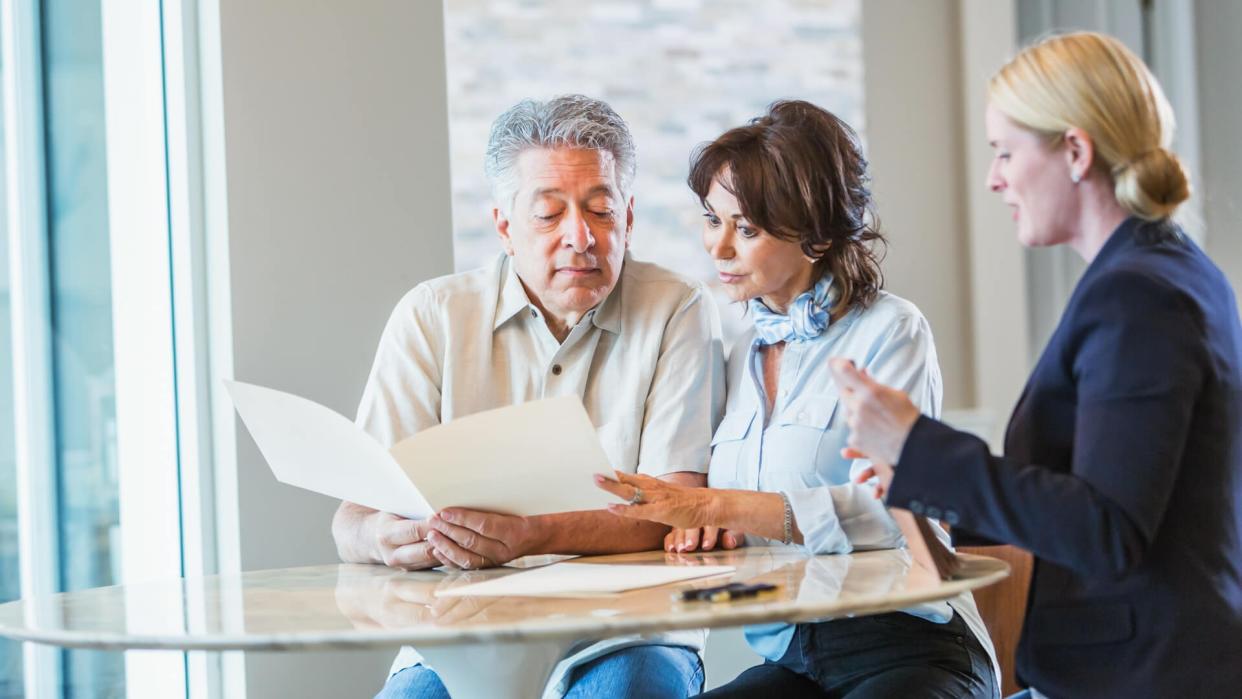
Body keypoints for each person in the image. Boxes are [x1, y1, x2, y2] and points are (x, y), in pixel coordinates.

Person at [829, 32, 1242, 699]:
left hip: (1139, 677)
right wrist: (917, 475)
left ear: (1075, 151)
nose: (995, 178)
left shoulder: (1138, 294)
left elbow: (1106, 529)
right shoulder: (1165, 271)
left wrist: (917, 446)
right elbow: (1084, 499)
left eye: (1004, 151)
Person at [596, 100, 999, 698]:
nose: (719, 247)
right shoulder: (732, 350)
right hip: (795, 658)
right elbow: (727, 511)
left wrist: (721, 510)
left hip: (910, 646)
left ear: (816, 233)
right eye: (713, 219)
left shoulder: (891, 331)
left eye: (747, 229)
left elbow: (897, 508)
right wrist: (706, 530)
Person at [334, 94, 725, 699]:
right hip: (457, 636)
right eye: (548, 214)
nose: (581, 237)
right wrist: (382, 538)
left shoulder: (677, 308)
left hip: (631, 631)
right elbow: (352, 519)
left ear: (629, 218)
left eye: (601, 210)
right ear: (504, 225)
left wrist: (528, 536)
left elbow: (677, 505)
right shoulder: (433, 315)